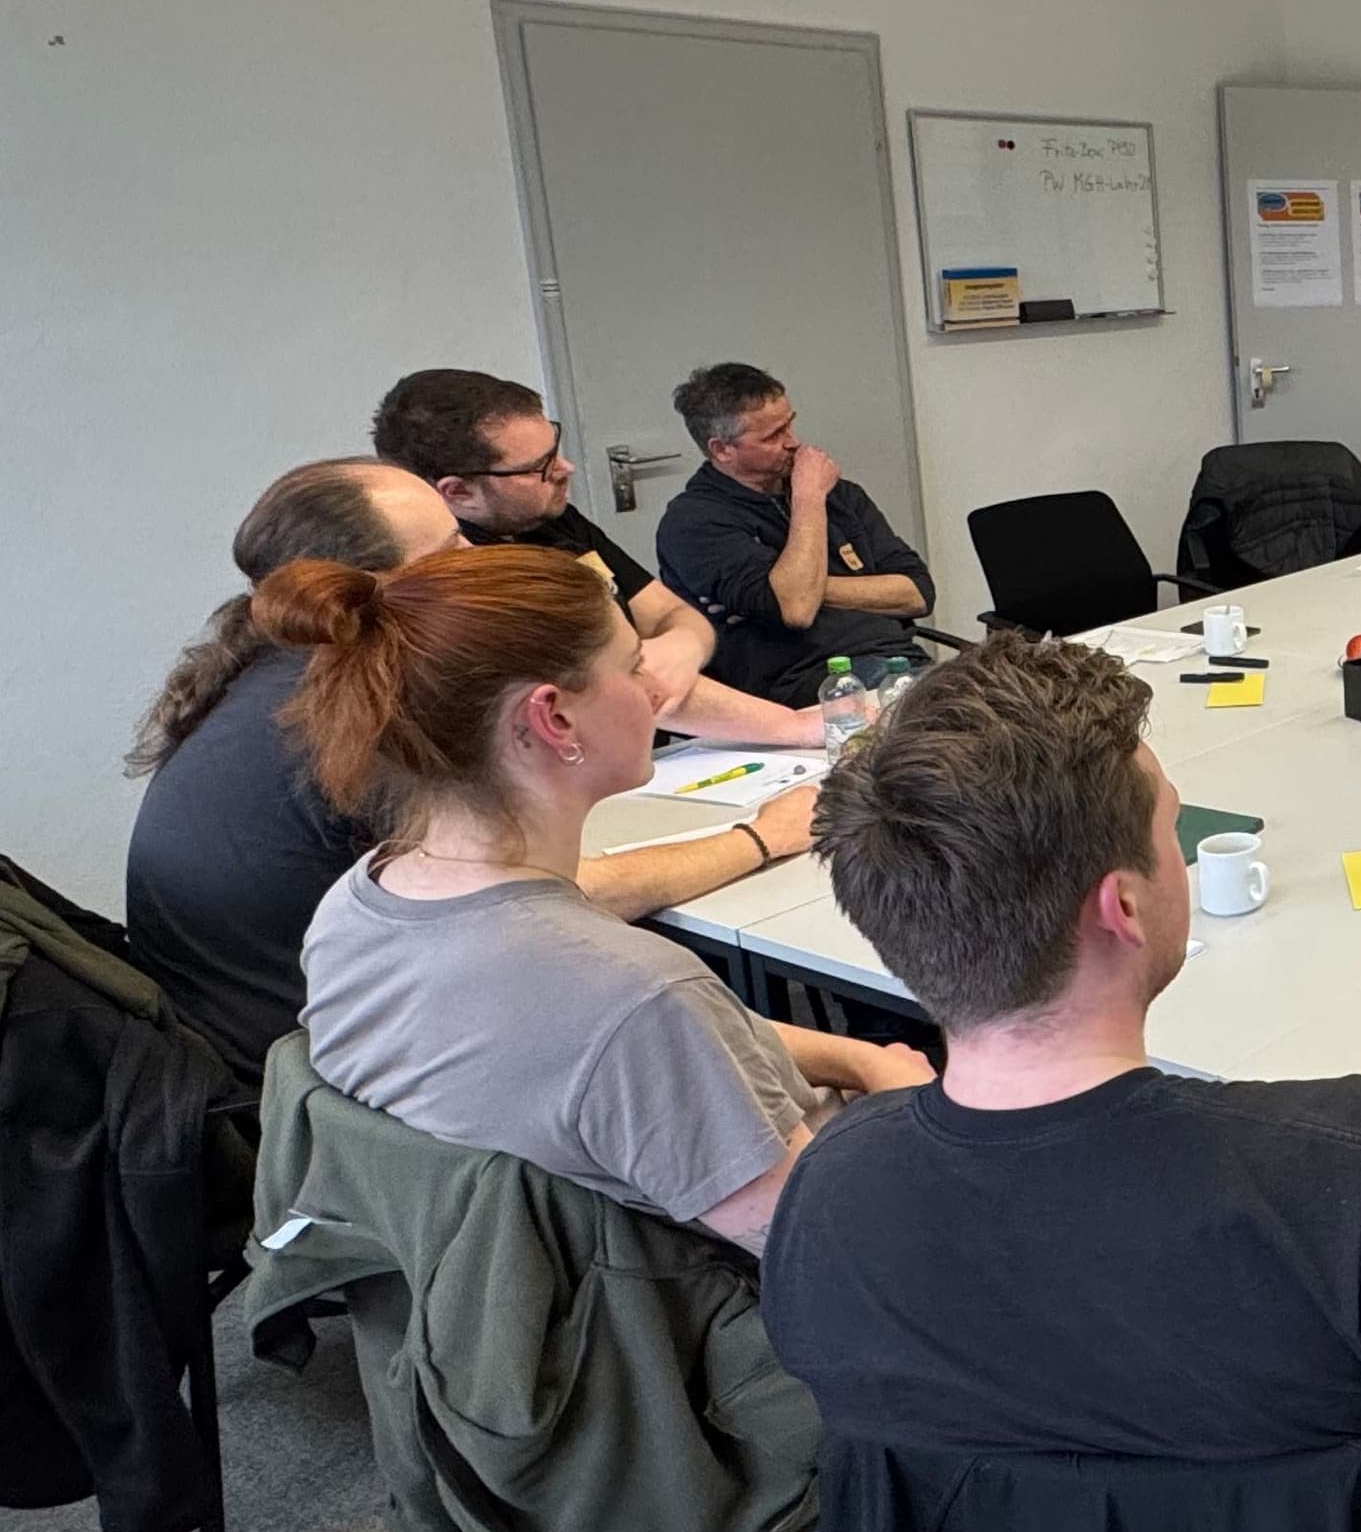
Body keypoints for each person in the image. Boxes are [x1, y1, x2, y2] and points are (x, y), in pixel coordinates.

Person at [762, 636, 1361, 1501]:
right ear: (1125, 906)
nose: (1178, 851)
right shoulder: (1349, 1167)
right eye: (1171, 829)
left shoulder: (829, 1189)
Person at [269, 543, 928, 1250]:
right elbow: (834, 1249)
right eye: (632, 666)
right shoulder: (633, 995)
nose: (656, 691)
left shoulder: (360, 903)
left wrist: (858, 1060)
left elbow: (659, 1047)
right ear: (554, 719)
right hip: (755, 1296)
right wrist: (903, 1109)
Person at [124, 459, 831, 1071]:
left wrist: (796, 726)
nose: (473, 550)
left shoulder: (286, 666)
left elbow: (605, 672)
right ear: (376, 585)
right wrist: (760, 837)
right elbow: (538, 906)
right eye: (449, 544)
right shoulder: (358, 722)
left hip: (307, 1040)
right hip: (347, 1068)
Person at [369, 367, 814, 738]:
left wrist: (682, 645)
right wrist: (796, 728)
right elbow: (605, 682)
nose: (566, 469)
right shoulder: (463, 578)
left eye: (555, 449)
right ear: (459, 492)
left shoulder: (550, 518)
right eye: (540, 467)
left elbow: (670, 612)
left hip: (656, 745)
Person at [650, 361, 937, 706]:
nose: (793, 442)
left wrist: (807, 586)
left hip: (897, 661)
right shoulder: (693, 522)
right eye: (772, 436)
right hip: (804, 686)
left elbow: (917, 593)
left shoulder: (841, 495)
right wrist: (808, 499)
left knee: (1000, 693)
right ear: (722, 449)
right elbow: (798, 608)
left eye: (789, 424)